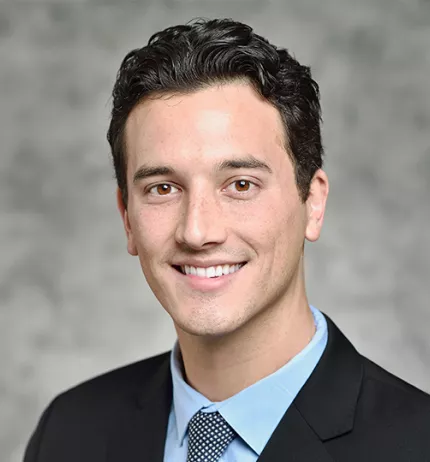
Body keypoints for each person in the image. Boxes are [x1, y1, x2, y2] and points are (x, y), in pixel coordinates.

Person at [24, 18, 430, 462]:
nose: (198, 232)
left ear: (312, 203)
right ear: (127, 218)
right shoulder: (67, 434)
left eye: (240, 184)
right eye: (163, 188)